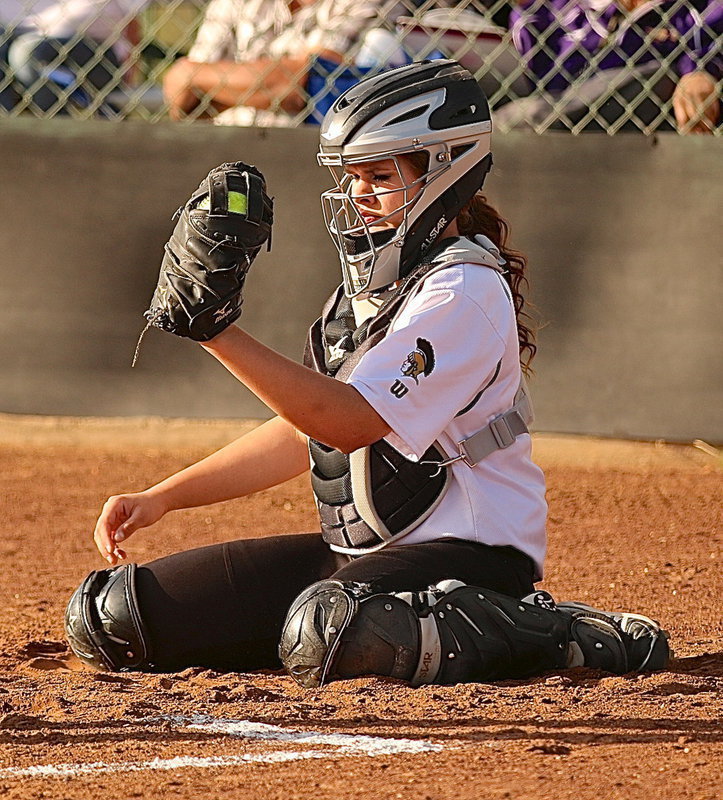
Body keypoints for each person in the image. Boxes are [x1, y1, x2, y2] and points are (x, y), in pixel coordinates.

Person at [65, 60, 670, 687]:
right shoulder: (367, 296)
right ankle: (373, 616)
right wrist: (163, 497)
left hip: (473, 554)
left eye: (381, 176)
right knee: (114, 617)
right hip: (364, 559)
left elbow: (348, 423)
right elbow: (304, 432)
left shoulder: (463, 290)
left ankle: (554, 633)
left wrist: (216, 332)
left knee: (333, 633)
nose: (358, 195)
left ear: (446, 171)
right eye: (353, 176)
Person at [499, 0, 722, 133]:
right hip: (568, 128)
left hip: (654, 126)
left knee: (660, 76)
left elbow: (709, 49)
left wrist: (702, 71)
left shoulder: (700, 10)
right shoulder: (543, 17)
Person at [161, 0, 387, 126]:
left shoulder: (365, 3)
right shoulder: (234, 3)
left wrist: (212, 84)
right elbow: (181, 91)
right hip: (226, 153)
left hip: (308, 155)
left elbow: (307, 85)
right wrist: (270, 85)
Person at [0, 0, 144, 114]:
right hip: (35, 41)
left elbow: (133, 28)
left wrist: (130, 68)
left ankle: (55, 125)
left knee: (27, 52)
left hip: (97, 59)